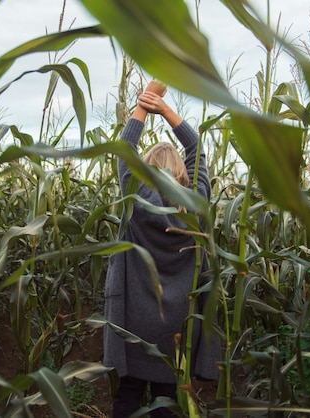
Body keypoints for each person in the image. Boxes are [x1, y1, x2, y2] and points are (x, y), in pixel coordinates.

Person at [103, 86, 220, 417]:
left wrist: (144, 103)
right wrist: (166, 110)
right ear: (182, 172)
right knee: (167, 396)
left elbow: (124, 148)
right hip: (178, 327)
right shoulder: (196, 201)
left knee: (128, 393)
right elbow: (196, 146)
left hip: (134, 325)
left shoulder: (134, 197)